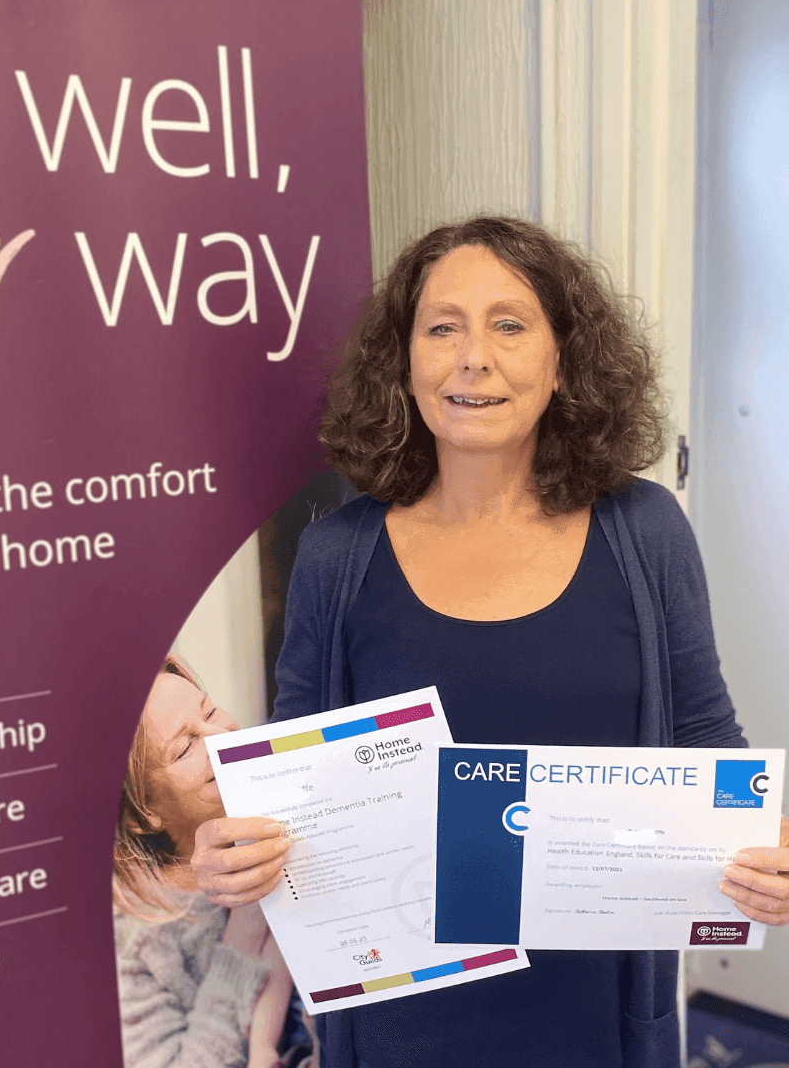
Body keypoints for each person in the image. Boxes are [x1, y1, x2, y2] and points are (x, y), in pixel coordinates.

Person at [189, 217, 789, 1068]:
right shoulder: (336, 558)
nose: (474, 357)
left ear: (561, 362)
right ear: (405, 362)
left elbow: (705, 742)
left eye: (509, 324)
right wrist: (238, 855)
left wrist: (767, 851)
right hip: (401, 1032)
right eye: (443, 328)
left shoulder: (644, 532)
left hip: (600, 1023)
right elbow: (296, 799)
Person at [114, 656, 314, 1068]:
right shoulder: (133, 940)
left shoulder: (295, 806)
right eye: (185, 747)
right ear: (144, 812)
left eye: (208, 710)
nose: (220, 736)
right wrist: (242, 933)